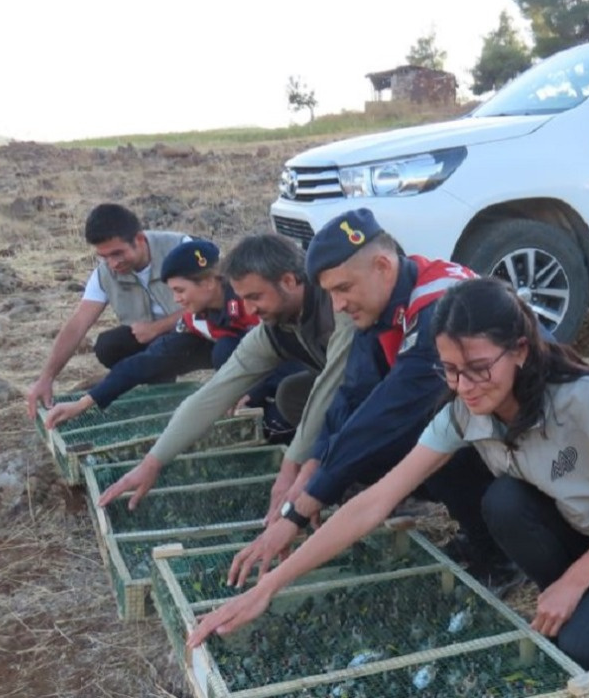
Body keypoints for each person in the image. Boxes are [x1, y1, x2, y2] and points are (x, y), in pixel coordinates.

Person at [187, 277, 589, 678]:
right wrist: (269, 588)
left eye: (478, 368)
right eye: (449, 369)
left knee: (583, 654)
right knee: (504, 502)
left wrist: (573, 583)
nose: (463, 385)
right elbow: (374, 502)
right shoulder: (464, 410)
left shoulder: (584, 400)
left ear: (520, 349)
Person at [218, 207, 516, 591]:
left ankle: (501, 556)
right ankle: (479, 535)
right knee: (370, 450)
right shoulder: (389, 302)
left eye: (343, 289)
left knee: (431, 436)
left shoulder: (439, 308)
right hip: (487, 428)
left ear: (381, 265)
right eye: (329, 293)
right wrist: (311, 466)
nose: (337, 305)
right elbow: (352, 395)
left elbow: (385, 415)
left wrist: (302, 507)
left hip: (530, 440)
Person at [97, 233, 354, 530]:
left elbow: (333, 386)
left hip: (392, 390)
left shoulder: (336, 304)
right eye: (243, 299)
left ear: (288, 281)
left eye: (255, 297)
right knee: (292, 395)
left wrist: (291, 466)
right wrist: (152, 463)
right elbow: (213, 394)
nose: (248, 310)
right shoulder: (274, 326)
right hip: (346, 388)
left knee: (326, 405)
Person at [42, 239, 298, 438]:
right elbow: (148, 360)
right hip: (256, 366)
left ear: (209, 282)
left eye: (180, 291)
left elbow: (290, 352)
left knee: (237, 358)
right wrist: (86, 402)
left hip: (302, 369)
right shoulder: (196, 318)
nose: (176, 300)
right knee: (222, 350)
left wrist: (254, 390)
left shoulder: (254, 302)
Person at [25, 203, 201, 418]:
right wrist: (46, 378)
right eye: (104, 256)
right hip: (154, 341)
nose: (113, 263)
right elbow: (78, 324)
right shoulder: (104, 274)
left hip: (196, 335)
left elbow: (211, 302)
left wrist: (157, 328)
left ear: (139, 239)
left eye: (118, 253)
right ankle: (158, 392)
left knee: (166, 346)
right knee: (109, 346)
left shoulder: (180, 248)